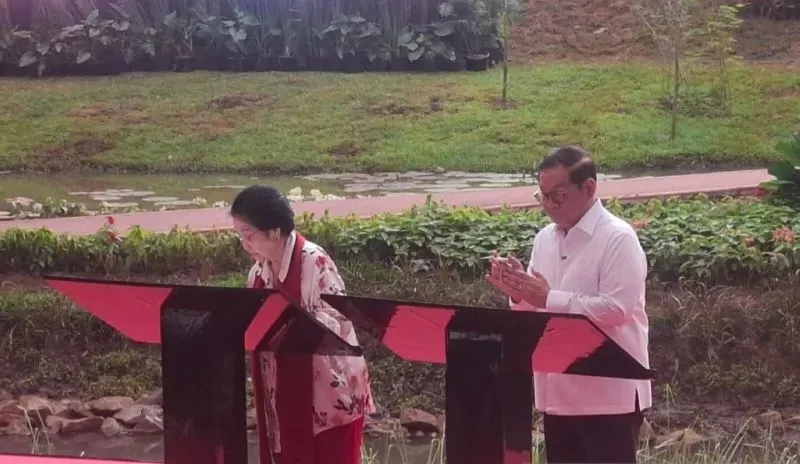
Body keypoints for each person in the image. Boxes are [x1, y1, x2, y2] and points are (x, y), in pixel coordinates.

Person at [486, 145, 651, 464]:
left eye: (557, 196)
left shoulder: (618, 238)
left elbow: (618, 309)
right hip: (557, 391)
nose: (548, 205)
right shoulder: (544, 239)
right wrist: (519, 292)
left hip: (607, 396)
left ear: (588, 188)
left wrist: (549, 297)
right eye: (543, 196)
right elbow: (535, 311)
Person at [231, 185, 375, 464]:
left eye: (248, 234)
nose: (244, 243)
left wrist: (290, 318)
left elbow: (341, 322)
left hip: (330, 399)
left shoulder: (315, 261)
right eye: (239, 236)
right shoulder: (257, 273)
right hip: (282, 399)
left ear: (274, 230)